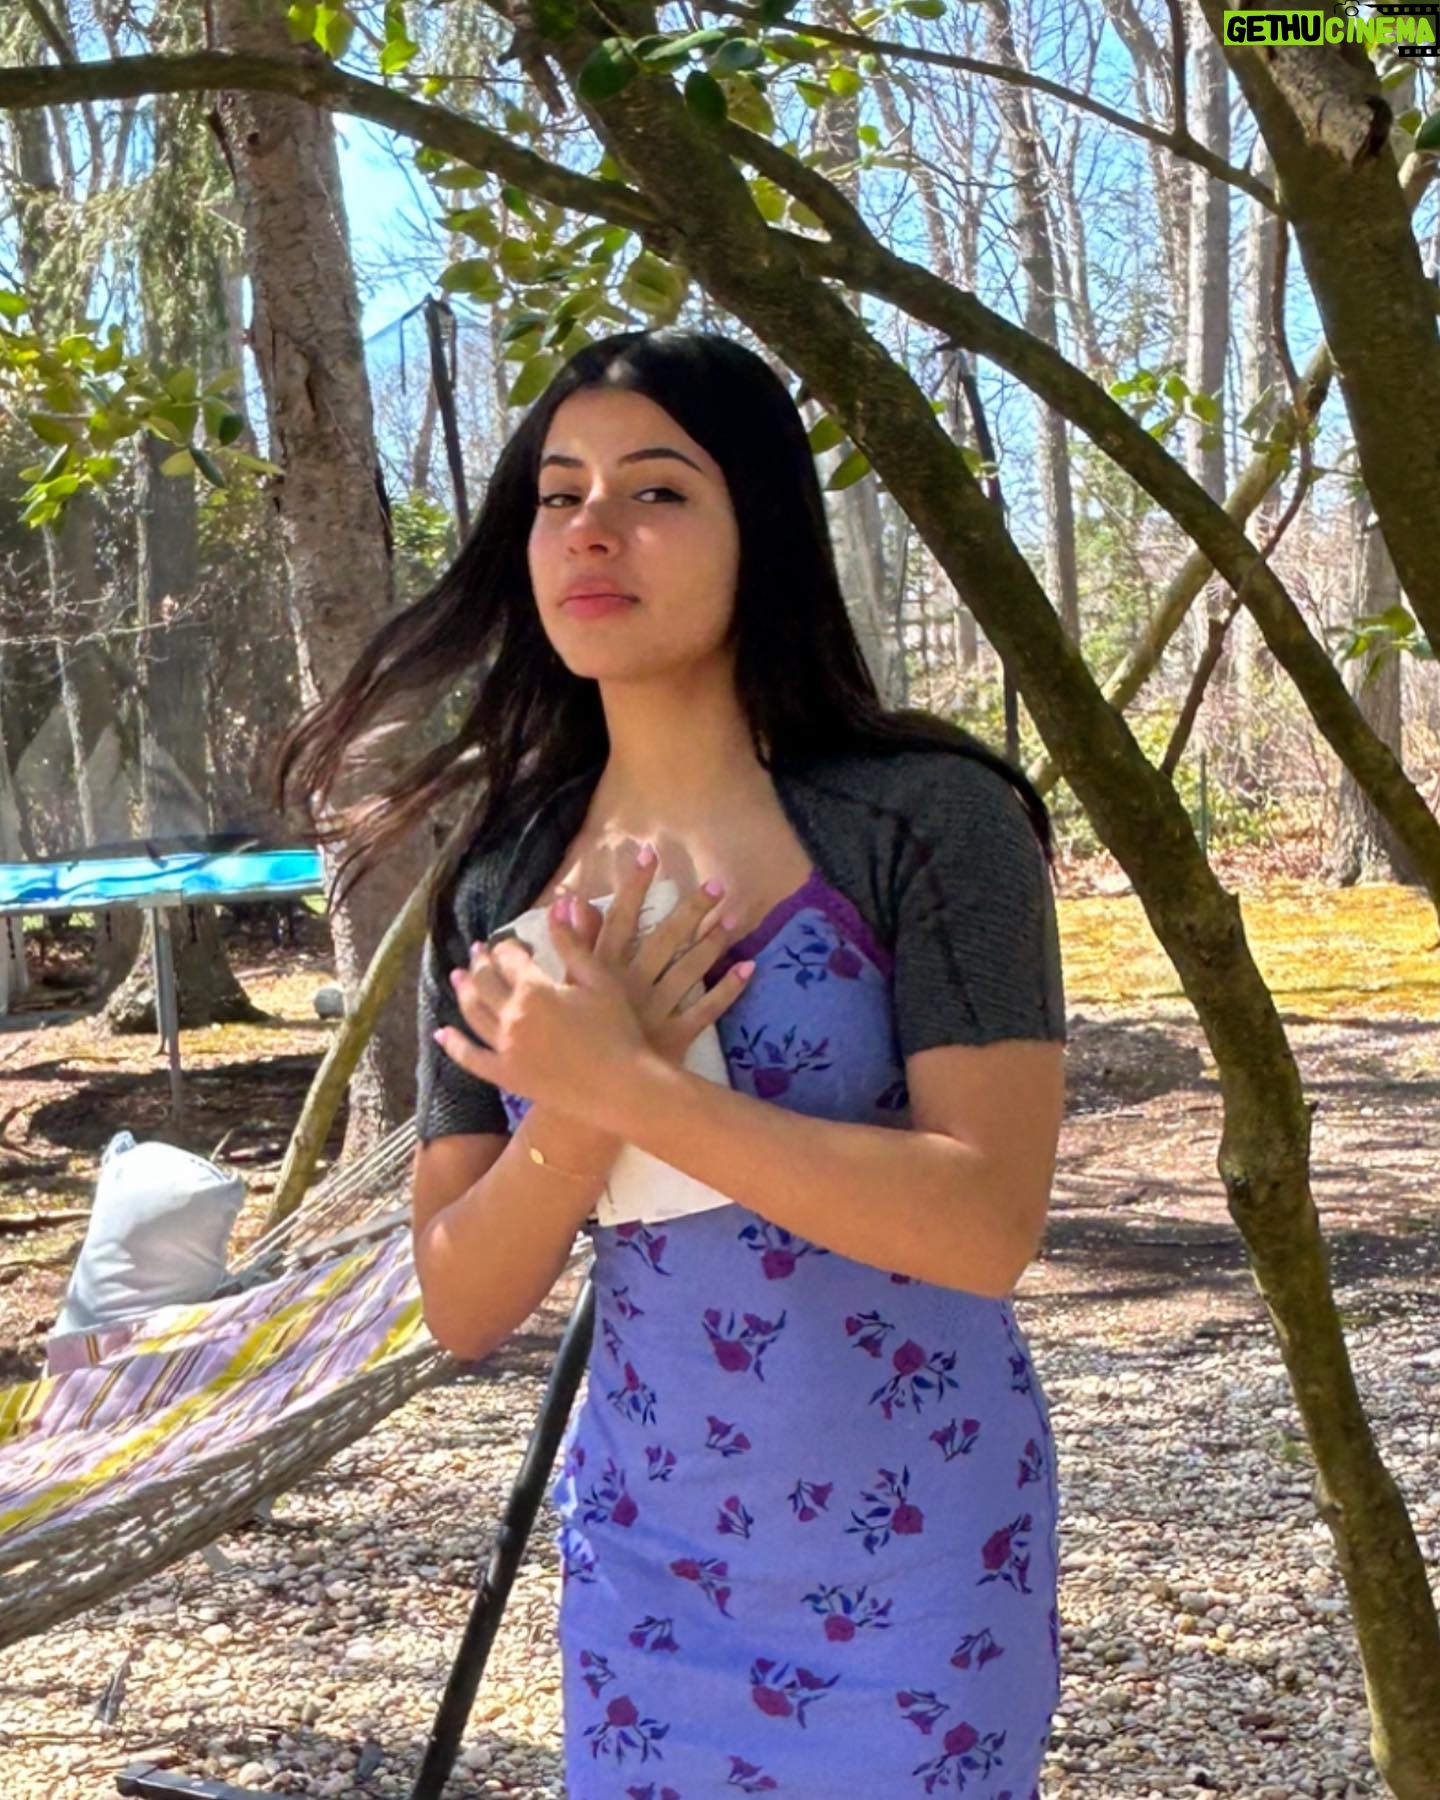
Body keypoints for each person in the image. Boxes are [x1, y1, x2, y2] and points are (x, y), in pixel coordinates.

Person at [276, 328, 1067, 1798]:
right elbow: (461, 1299)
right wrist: (573, 1118)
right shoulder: (500, 875)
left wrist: (636, 1088)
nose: (591, 527)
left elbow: (985, 1223)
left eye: (656, 491)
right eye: (557, 493)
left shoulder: (924, 821)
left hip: (920, 1571)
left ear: (760, 529)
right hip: (650, 1573)